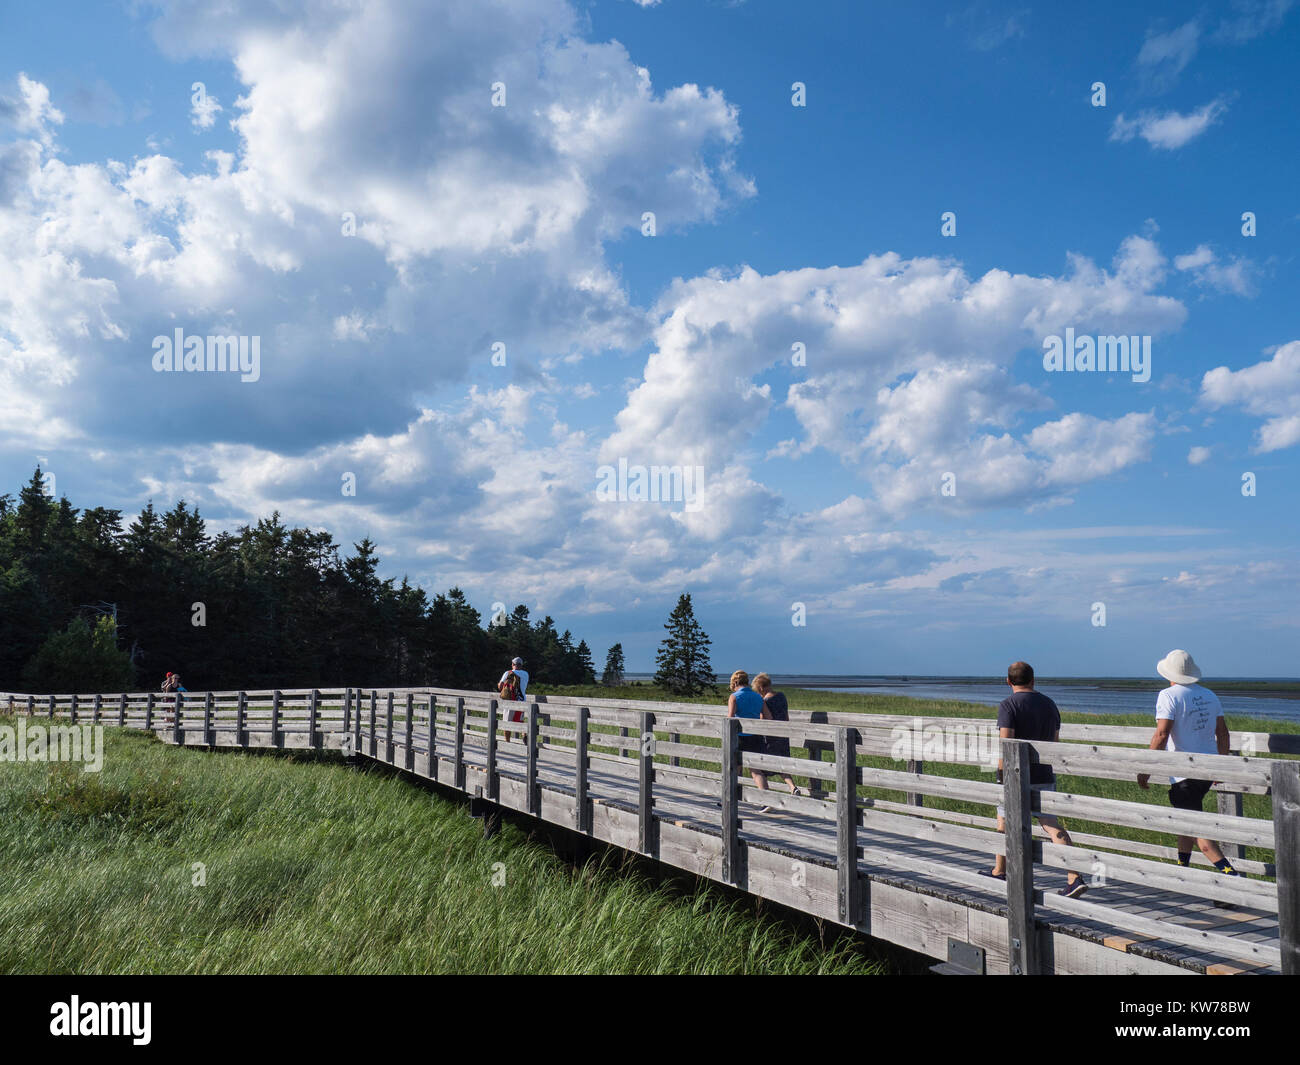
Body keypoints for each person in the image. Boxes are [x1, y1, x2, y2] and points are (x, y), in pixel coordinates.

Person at [1137, 650, 1244, 901]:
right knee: (1185, 822)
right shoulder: (1209, 695)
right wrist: (1219, 765)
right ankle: (1182, 872)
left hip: (1183, 773)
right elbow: (1223, 733)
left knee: (1198, 832)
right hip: (1205, 769)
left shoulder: (1168, 695)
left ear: (1169, 674)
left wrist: (1146, 769)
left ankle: (1232, 878)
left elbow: (1161, 734)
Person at [984, 661, 1088, 898]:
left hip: (1016, 776)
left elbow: (1006, 744)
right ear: (1033, 679)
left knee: (1003, 824)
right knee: (1051, 825)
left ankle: (1000, 871)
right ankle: (1074, 876)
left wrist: (1001, 775)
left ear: (1008, 681)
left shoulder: (1008, 705)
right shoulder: (1049, 704)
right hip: (1043, 773)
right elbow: (1054, 743)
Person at [752, 673, 811, 798]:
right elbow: (786, 716)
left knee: (760, 767)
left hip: (770, 737)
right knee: (782, 764)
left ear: (761, 688)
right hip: (783, 735)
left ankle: (766, 797)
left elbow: (764, 719)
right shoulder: (782, 696)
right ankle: (792, 787)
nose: (758, 693)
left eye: (758, 690)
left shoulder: (765, 701)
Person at [726, 670, 773, 808]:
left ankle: (730, 799)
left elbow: (730, 718)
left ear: (735, 683)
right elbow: (768, 717)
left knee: (734, 769)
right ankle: (767, 800)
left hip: (739, 738)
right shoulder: (758, 697)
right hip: (755, 737)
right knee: (756, 771)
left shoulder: (734, 697)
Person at [498, 657, 528, 743]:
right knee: (519, 721)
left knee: (507, 723)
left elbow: (500, 687)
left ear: (512, 664)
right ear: (521, 665)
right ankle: (524, 734)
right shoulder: (526, 674)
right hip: (522, 701)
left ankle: (508, 743)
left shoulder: (508, 673)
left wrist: (500, 684)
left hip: (510, 702)